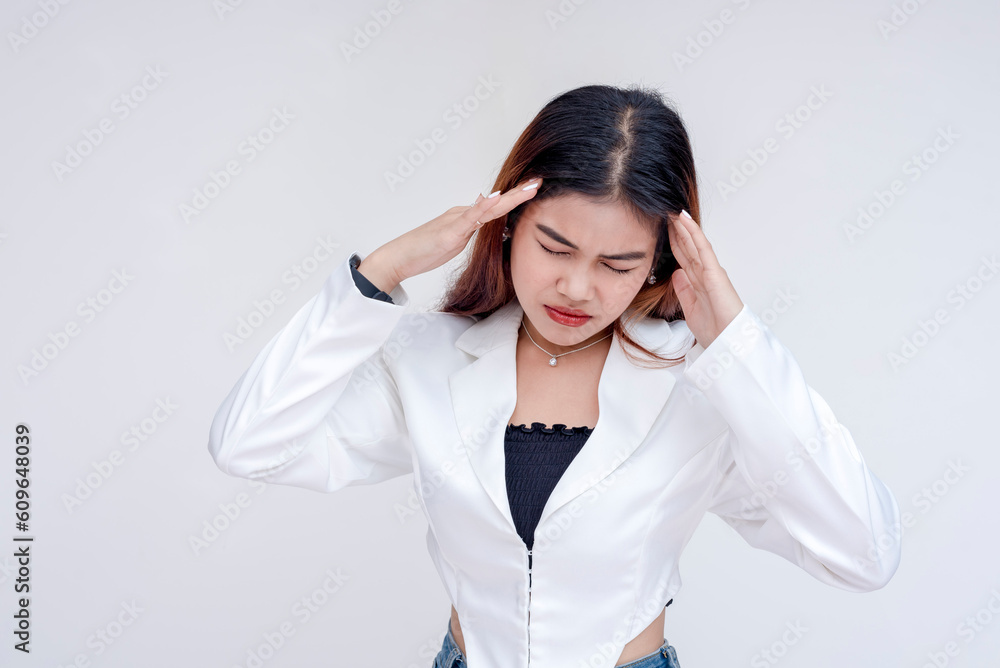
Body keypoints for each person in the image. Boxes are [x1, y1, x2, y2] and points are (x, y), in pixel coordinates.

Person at [207, 84, 901, 668]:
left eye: (618, 265)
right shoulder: (429, 358)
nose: (576, 288)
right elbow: (248, 446)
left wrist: (738, 345)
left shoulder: (703, 384)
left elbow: (864, 556)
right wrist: (383, 270)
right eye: (555, 247)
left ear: (661, 263)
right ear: (510, 222)